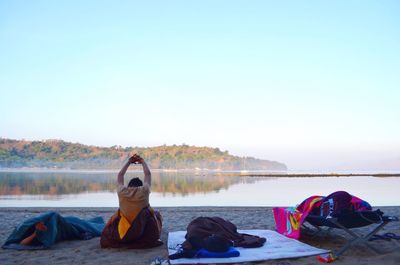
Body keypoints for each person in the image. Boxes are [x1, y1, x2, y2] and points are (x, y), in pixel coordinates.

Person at [100, 154, 163, 249]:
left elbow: (120, 175)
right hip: (140, 232)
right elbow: (148, 174)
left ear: (129, 186)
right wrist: (142, 161)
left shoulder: (122, 191)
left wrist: (129, 162)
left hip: (122, 233)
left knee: (118, 214)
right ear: (140, 186)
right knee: (155, 215)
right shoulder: (144, 191)